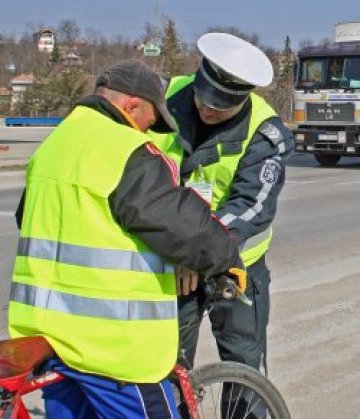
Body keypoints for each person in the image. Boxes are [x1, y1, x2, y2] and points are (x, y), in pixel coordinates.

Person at [9, 59, 246, 419]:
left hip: (52, 338)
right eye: (152, 118)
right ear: (131, 105)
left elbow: (30, 220)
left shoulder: (54, 146)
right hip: (113, 350)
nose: (152, 129)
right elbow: (180, 223)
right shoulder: (125, 149)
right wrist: (226, 257)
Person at [153, 32, 294, 396]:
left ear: (244, 97)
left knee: (244, 371)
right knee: (163, 367)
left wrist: (196, 251)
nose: (207, 108)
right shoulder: (166, 98)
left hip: (235, 267)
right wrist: (183, 252)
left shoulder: (264, 132)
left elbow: (251, 206)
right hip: (172, 266)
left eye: (221, 105)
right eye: (204, 96)